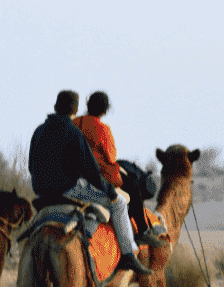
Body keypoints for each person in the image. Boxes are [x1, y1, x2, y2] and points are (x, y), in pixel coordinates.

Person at [28, 90, 150, 275]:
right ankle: (128, 254)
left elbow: (31, 165)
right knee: (119, 204)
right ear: (75, 109)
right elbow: (91, 171)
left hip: (41, 191)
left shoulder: (38, 131)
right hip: (67, 189)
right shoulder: (73, 132)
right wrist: (109, 190)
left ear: (55, 107)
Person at [71, 91, 167, 247]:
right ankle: (142, 231)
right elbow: (111, 157)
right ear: (105, 110)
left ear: (88, 106)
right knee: (134, 188)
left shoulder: (74, 123)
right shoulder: (102, 129)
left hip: (74, 175)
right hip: (98, 175)